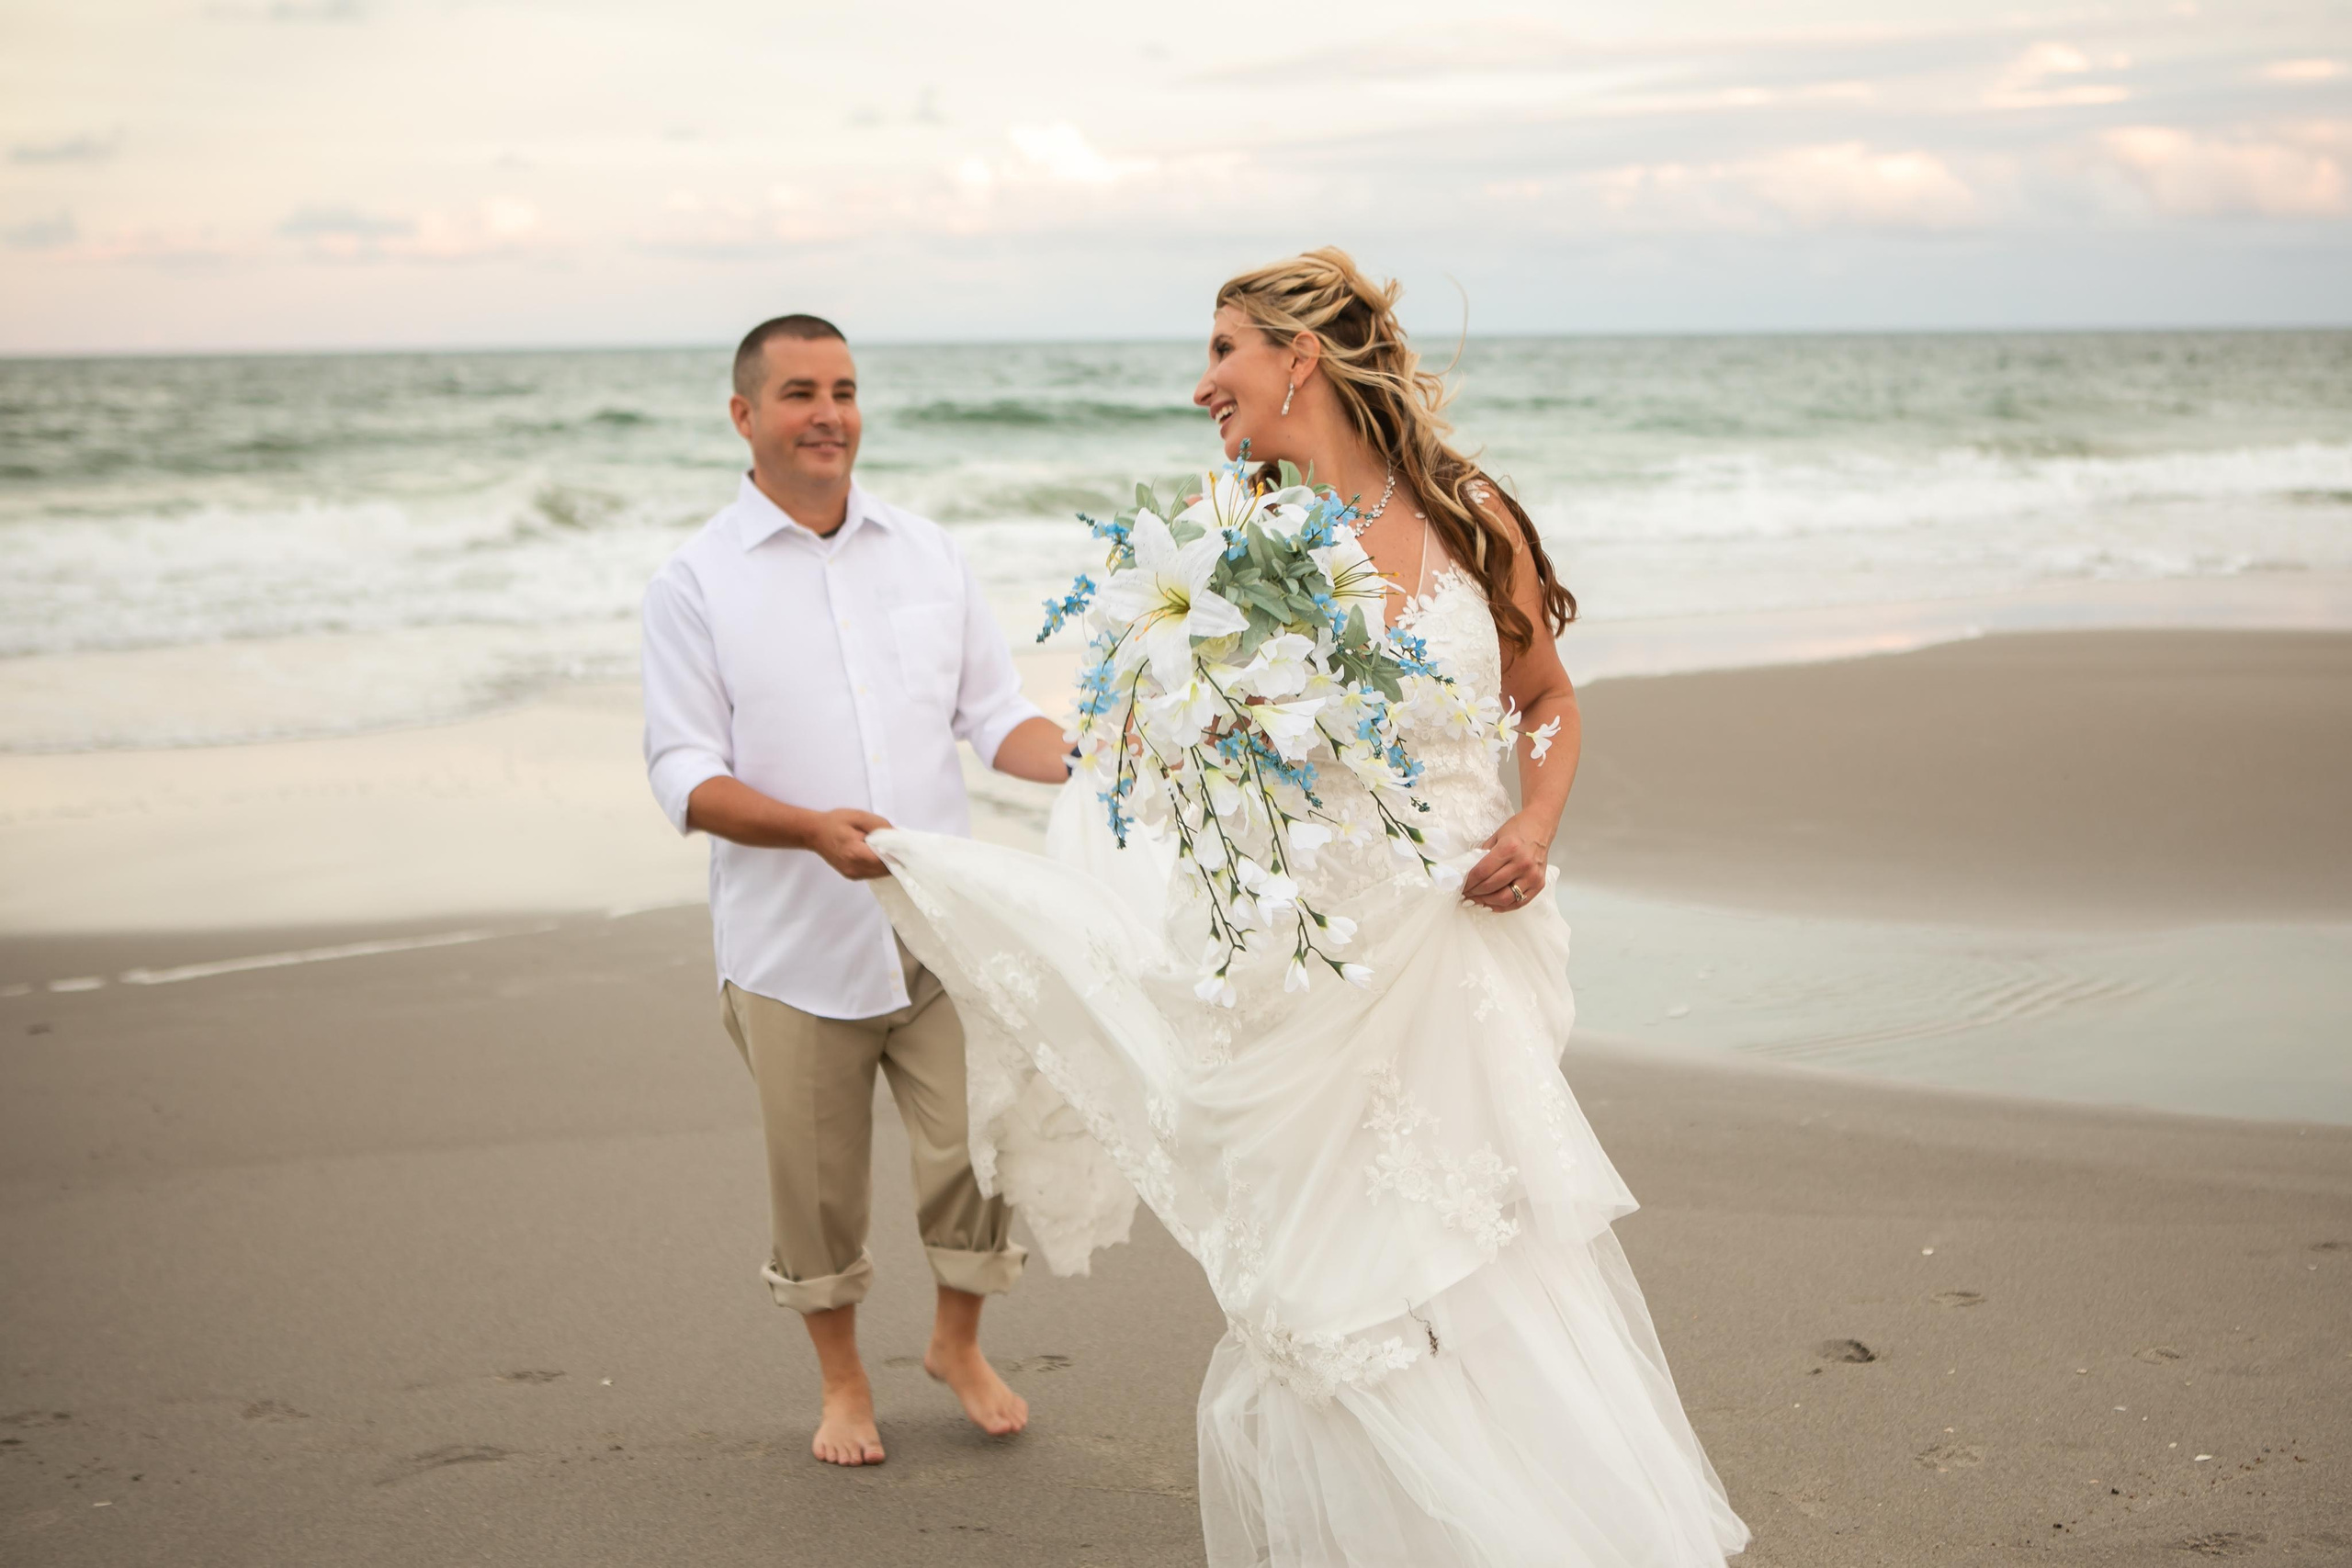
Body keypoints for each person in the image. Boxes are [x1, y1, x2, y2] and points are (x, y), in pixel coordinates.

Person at [866, 254, 1750, 1563]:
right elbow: (1168, 752)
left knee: (1479, 1252)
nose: (1202, 380)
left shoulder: (1468, 511)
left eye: (1224, 348)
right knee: (1321, 1287)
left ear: (1301, 358)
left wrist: (1533, 821)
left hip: (1459, 943)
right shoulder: (1229, 542)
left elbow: (1545, 695)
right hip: (1303, 967)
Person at [639, 313, 1074, 1467]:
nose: (827, 413)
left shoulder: (928, 553)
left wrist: (1098, 756)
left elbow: (997, 718)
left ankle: (955, 1344)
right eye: (797, 393)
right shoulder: (693, 585)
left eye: (841, 388)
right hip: (795, 943)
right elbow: (683, 774)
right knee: (819, 1192)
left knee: (981, 1150)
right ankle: (841, 1385)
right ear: (744, 416)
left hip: (943, 925)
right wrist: (805, 831)